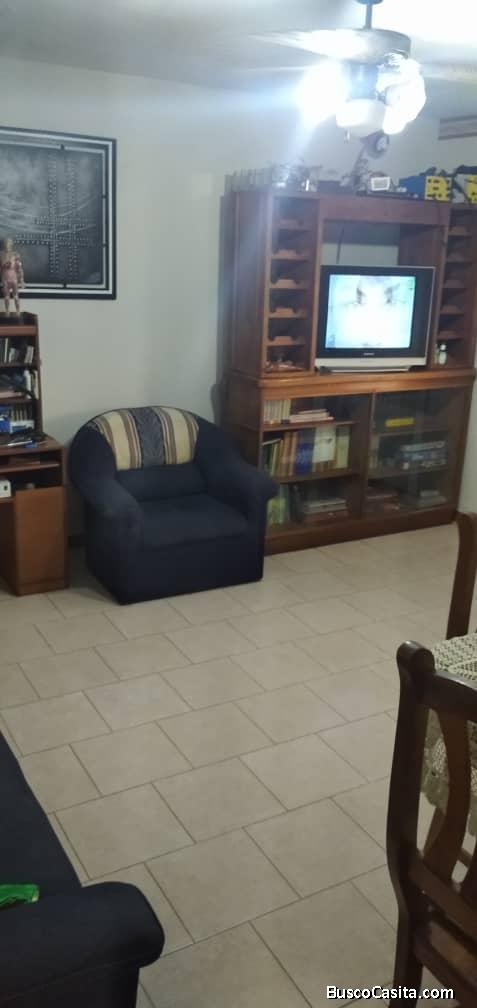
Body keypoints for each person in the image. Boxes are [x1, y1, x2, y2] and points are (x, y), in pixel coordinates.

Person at [0, 238, 24, 317]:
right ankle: (7, 311)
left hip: (14, 278)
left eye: (9, 243)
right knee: (6, 297)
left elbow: (19, 268)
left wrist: (22, 280)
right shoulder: (1, 254)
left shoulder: (15, 254)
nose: (7, 244)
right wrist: (4, 265)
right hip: (5, 278)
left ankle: (18, 311)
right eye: (6, 243)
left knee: (16, 296)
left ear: (11, 244)